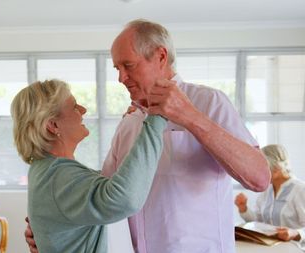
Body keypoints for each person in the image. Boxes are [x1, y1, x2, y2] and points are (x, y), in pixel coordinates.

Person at [25, 19, 270, 253]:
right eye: (117, 68)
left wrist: (190, 117)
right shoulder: (130, 122)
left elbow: (259, 179)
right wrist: (49, 227)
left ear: (160, 57)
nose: (121, 78)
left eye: (128, 66)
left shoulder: (209, 102)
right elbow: (106, 198)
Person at [11, 79, 167, 253]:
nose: (83, 110)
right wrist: (157, 117)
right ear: (53, 125)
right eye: (74, 106)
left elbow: (105, 185)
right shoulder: (57, 177)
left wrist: (128, 129)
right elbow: (124, 198)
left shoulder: (48, 169)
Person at [235, 144, 305, 250]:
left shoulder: (300, 189)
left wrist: (294, 233)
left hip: (295, 249)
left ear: (276, 168)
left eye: (263, 168)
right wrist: (244, 208)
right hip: (270, 248)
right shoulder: (266, 190)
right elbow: (258, 222)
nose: (259, 173)